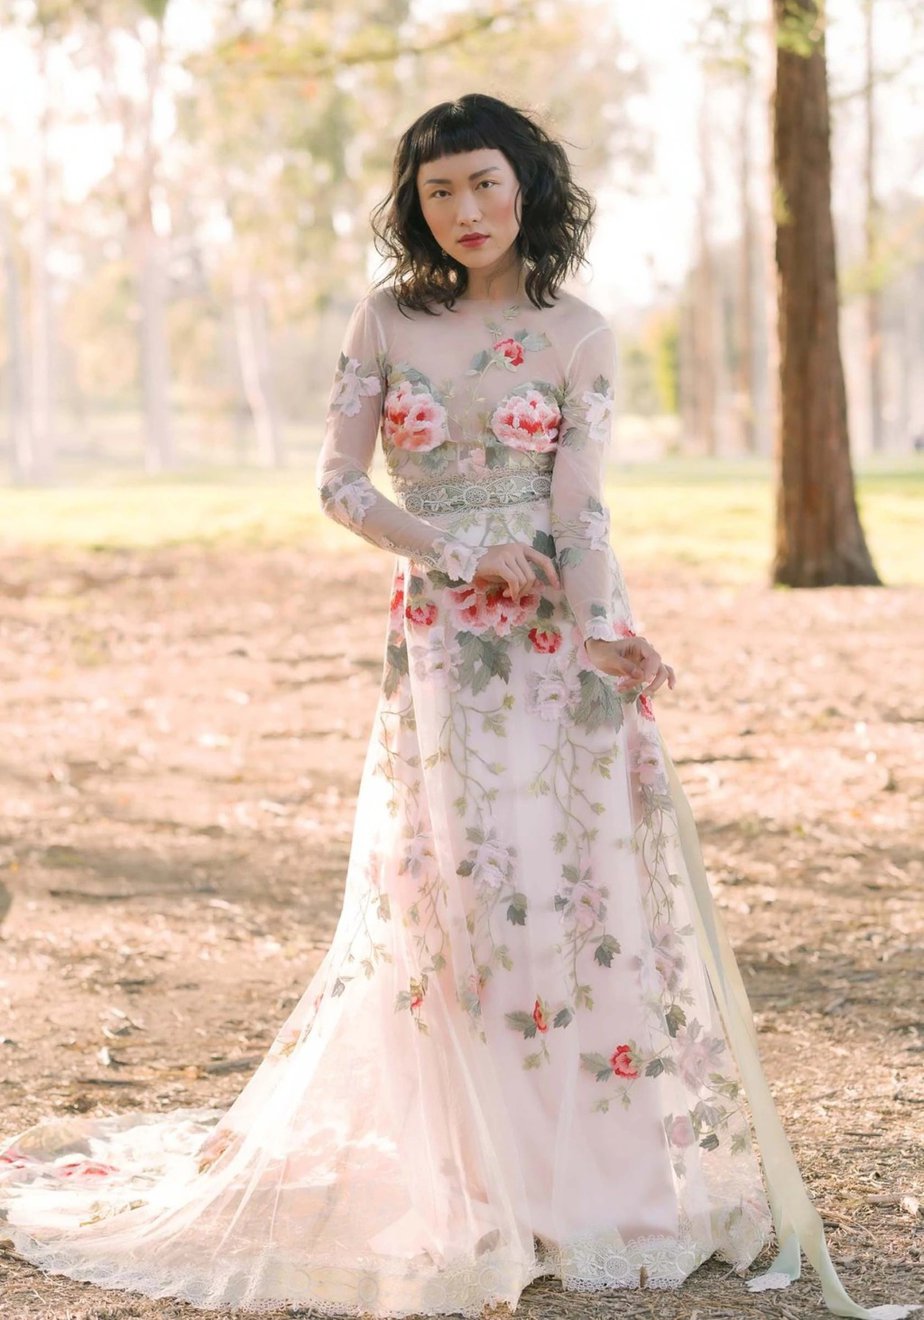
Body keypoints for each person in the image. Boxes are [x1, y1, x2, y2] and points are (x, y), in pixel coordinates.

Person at [0, 94, 917, 1320]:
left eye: (485, 183)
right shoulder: (389, 318)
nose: (466, 211)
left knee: (578, 887)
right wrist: (450, 551)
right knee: (468, 887)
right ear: (416, 204)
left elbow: (582, 508)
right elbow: (338, 483)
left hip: (560, 644)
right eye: (440, 192)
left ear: (527, 184)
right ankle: (480, 1179)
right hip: (444, 641)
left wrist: (612, 642)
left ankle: (587, 1176)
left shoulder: (581, 333)